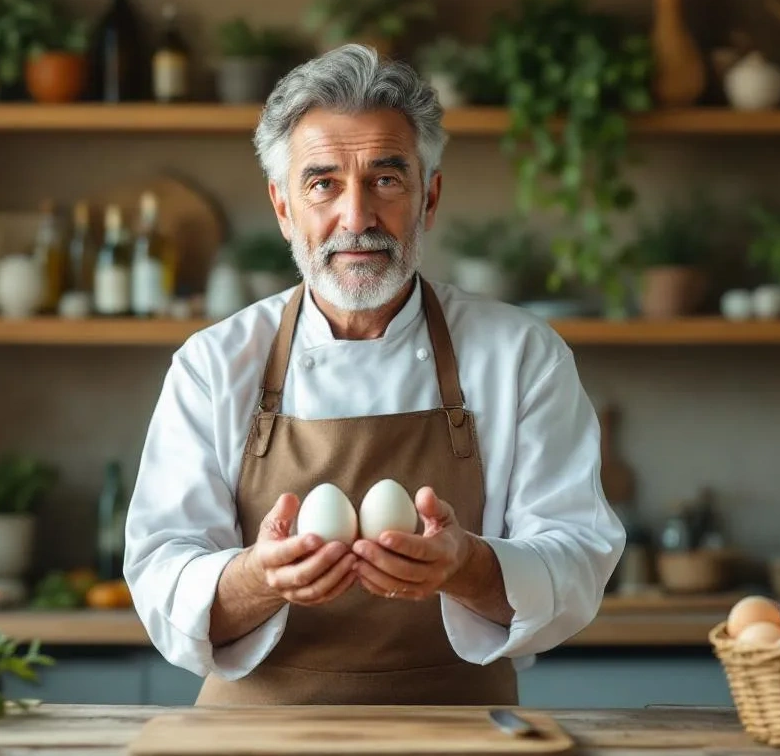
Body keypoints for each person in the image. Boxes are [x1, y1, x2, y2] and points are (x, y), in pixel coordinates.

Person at [123, 44, 625, 706]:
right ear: (283, 208)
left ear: (430, 195)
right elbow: (161, 578)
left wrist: (466, 565)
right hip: (253, 739)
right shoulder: (214, 365)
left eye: (385, 180)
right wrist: (259, 576)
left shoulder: (521, 355)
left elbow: (579, 560)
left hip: (458, 732)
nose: (356, 218)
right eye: (323, 183)